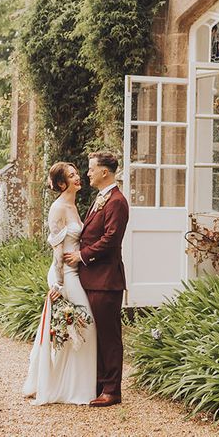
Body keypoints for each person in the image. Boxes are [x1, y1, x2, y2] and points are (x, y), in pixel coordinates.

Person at [22, 162, 97, 404]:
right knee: (84, 324)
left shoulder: (74, 206)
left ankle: (74, 385)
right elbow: (56, 251)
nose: (78, 177)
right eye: (72, 175)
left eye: (77, 174)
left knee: (75, 327)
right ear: (62, 183)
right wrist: (58, 285)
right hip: (64, 275)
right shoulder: (57, 208)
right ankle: (70, 388)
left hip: (76, 272)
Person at [63, 151, 129, 407]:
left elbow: (111, 240)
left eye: (91, 169)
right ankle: (100, 383)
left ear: (104, 172)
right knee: (96, 334)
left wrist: (81, 256)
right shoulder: (100, 198)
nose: (87, 173)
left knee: (109, 336)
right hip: (91, 279)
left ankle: (112, 390)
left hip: (106, 280)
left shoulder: (117, 201)